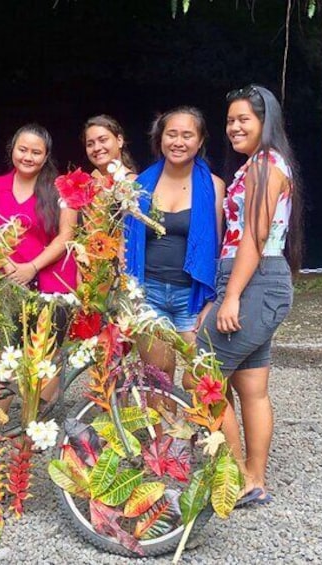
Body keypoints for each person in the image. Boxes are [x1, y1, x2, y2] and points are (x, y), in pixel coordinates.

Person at [197, 85, 304, 507]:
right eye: (230, 120)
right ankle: (253, 479)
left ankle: (237, 475)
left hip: (255, 280)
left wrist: (231, 296)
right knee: (251, 386)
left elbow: (255, 237)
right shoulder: (256, 165)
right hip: (252, 279)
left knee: (200, 375)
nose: (234, 127)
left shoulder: (265, 166)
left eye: (244, 119)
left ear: (266, 122)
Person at [124, 107, 225, 386]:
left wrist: (213, 300)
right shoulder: (140, 185)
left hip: (191, 297)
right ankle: (164, 431)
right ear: (160, 138)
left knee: (202, 379)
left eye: (187, 135)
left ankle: (207, 431)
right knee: (158, 376)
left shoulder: (214, 186)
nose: (178, 142)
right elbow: (126, 242)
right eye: (171, 134)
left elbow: (217, 247)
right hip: (149, 293)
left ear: (201, 140)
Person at [0, 123, 78, 294]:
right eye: (22, 150)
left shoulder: (63, 188)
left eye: (36, 152)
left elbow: (67, 236)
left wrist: (32, 268)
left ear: (46, 156)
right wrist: (7, 266)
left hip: (52, 283)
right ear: (12, 150)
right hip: (3, 279)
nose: (28, 157)